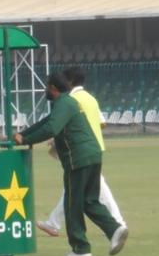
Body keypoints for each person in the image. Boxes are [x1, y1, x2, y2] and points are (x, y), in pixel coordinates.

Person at [13, 73, 128, 256]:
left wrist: (25, 139)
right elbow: (47, 122)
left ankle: (80, 249)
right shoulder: (68, 103)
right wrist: (23, 133)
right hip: (93, 155)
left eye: (47, 87)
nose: (45, 91)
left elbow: (51, 129)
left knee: (72, 203)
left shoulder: (63, 104)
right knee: (90, 201)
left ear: (53, 88)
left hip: (78, 159)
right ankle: (115, 230)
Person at [37, 67, 125, 237]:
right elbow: (102, 123)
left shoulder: (71, 99)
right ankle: (53, 223)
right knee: (75, 189)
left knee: (88, 190)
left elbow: (67, 121)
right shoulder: (90, 98)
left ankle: (118, 224)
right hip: (94, 147)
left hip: (81, 150)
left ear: (69, 82)